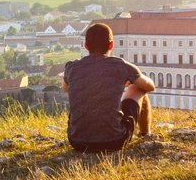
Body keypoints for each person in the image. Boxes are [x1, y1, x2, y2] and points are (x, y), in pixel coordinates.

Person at [62, 23, 155, 152]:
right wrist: (131, 78)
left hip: (77, 142)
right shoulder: (121, 66)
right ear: (111, 45)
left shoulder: (71, 67)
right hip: (114, 141)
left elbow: (65, 88)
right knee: (138, 88)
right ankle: (145, 133)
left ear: (86, 46)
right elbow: (149, 87)